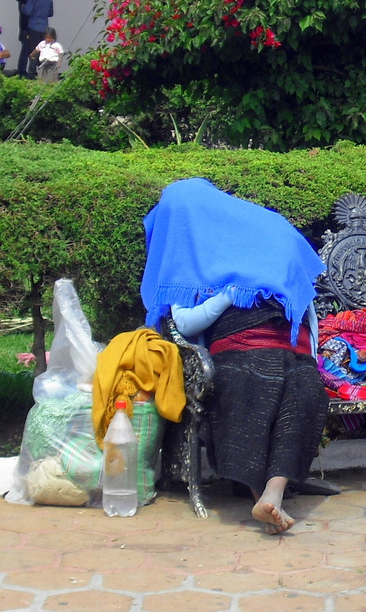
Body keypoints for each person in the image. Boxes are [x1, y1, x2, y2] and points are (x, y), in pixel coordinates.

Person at [141, 178, 330, 534]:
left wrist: (313, 355)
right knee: (252, 384)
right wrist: (230, 294)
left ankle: (271, 494)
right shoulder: (187, 253)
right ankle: (263, 495)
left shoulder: (263, 233)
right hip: (238, 345)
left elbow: (304, 304)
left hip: (290, 344)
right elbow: (185, 320)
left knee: (306, 389)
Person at [21, 0, 53, 80]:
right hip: (44, 27)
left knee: (34, 50)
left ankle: (31, 74)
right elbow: (50, 13)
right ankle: (43, 74)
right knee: (44, 50)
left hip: (34, 27)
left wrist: (23, 7)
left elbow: (28, 11)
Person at [15, 0, 38, 76]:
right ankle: (22, 71)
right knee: (25, 50)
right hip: (26, 26)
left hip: (29, 26)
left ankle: (27, 71)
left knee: (31, 49)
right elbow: (24, 11)